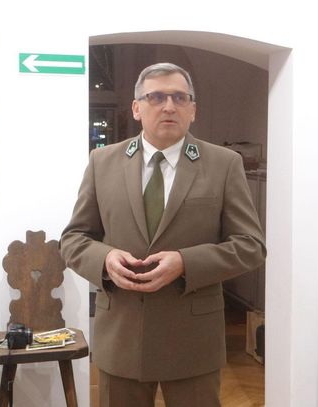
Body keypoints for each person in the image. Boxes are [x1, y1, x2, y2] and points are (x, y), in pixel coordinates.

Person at [60, 62, 266, 407]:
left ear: (193, 110)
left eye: (179, 98)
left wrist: (185, 262)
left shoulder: (223, 164)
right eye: (156, 97)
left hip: (193, 341)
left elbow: (251, 246)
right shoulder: (102, 162)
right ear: (136, 108)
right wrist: (105, 259)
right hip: (122, 337)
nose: (169, 106)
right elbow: (74, 239)